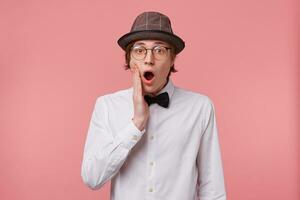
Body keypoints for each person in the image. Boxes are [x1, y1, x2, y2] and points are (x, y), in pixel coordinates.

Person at [81, 11, 226, 200]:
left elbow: (212, 186)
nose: (149, 59)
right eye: (140, 50)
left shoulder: (200, 107)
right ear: (130, 60)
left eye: (159, 50)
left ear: (172, 58)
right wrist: (136, 125)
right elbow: (92, 178)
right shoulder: (107, 106)